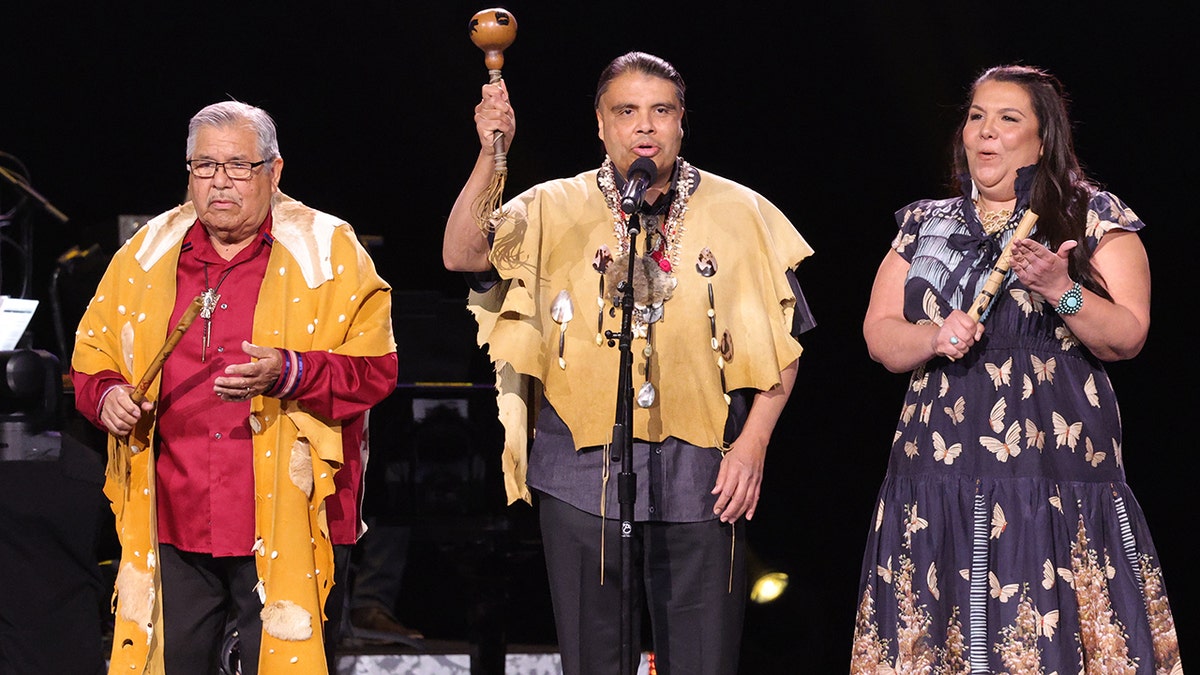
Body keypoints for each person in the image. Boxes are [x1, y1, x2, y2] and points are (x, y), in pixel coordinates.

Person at [443, 51, 815, 674]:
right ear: (600, 124)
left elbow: (784, 342)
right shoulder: (552, 206)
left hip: (706, 476)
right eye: (626, 111)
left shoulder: (740, 212)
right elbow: (462, 252)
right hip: (580, 473)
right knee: (594, 661)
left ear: (680, 122)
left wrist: (752, 446)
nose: (644, 126)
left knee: (703, 661)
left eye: (660, 111)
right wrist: (492, 154)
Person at [851, 65, 1181, 673]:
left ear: (1043, 138)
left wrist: (1063, 290)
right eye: (976, 117)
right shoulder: (926, 223)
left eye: (1008, 120)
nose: (986, 132)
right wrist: (933, 334)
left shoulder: (1090, 215)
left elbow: (1128, 335)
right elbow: (878, 336)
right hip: (936, 469)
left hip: (1049, 470)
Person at [71, 100, 397, 675]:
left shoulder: (328, 249)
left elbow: (376, 371)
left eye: (239, 166)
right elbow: (91, 356)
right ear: (189, 173)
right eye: (204, 167)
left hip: (290, 514)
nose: (220, 182)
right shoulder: (146, 252)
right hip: (173, 509)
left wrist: (289, 371)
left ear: (274, 172)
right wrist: (107, 396)